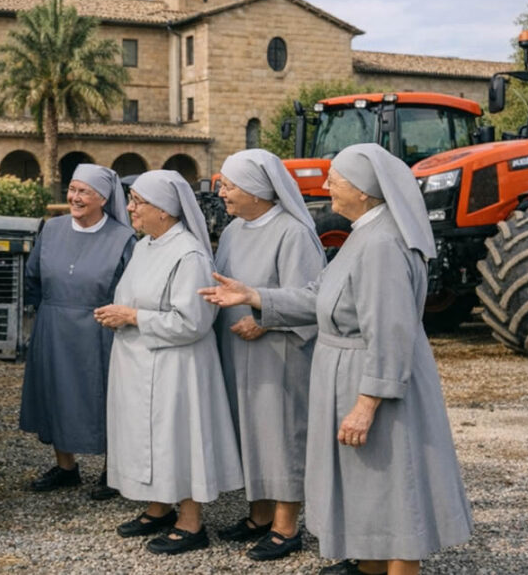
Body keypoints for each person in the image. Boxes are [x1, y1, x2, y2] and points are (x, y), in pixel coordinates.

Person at [200, 143, 472, 575]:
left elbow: (390, 333)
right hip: (350, 372)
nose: (326, 186)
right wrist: (254, 295)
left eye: (336, 180)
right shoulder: (365, 234)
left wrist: (367, 405)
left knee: (394, 481)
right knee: (368, 478)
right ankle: (369, 562)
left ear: (364, 190)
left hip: (373, 379)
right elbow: (318, 297)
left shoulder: (382, 244)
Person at [94, 170, 243, 556]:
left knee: (178, 439)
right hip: (140, 361)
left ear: (164, 209)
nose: (129, 208)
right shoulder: (147, 245)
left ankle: (191, 522)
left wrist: (131, 318)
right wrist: (121, 315)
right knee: (148, 439)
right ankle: (158, 506)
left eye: (137, 202)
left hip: (178, 366)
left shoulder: (188, 253)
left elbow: (193, 321)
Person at [211, 149, 326, 561]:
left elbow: (313, 298)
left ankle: (285, 526)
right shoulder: (231, 231)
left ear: (258, 191)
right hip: (236, 352)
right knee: (251, 431)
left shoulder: (292, 233)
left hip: (279, 353)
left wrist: (265, 319)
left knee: (282, 435)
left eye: (229, 184)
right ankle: (258, 515)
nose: (221, 192)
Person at [20, 164, 136, 500]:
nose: (74, 197)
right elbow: (33, 278)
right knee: (56, 392)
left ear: (103, 197)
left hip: (100, 330)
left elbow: (130, 287)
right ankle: (66, 466)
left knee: (105, 397)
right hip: (53, 326)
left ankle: (112, 470)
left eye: (83, 191)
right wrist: (46, 313)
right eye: (72, 189)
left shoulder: (122, 238)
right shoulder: (52, 229)